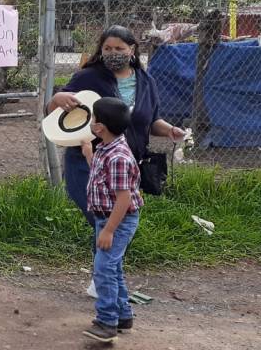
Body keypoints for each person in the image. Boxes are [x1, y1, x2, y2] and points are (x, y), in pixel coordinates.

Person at [48, 25, 184, 297]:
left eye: (119, 49)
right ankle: (105, 282)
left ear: (132, 50)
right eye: (107, 48)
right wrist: (57, 98)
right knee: (106, 221)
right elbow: (55, 111)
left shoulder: (146, 82)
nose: (113, 53)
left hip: (123, 166)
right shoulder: (88, 77)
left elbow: (150, 121)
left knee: (116, 224)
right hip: (88, 163)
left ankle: (104, 281)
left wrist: (170, 130)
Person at [81, 97, 143, 343]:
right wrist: (89, 155)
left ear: (100, 127)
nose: (91, 122)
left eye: (93, 118)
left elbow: (123, 199)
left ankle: (107, 322)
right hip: (105, 218)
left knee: (103, 269)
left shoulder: (118, 157)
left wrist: (109, 230)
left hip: (117, 220)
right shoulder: (106, 148)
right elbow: (101, 177)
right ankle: (123, 315)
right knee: (112, 267)